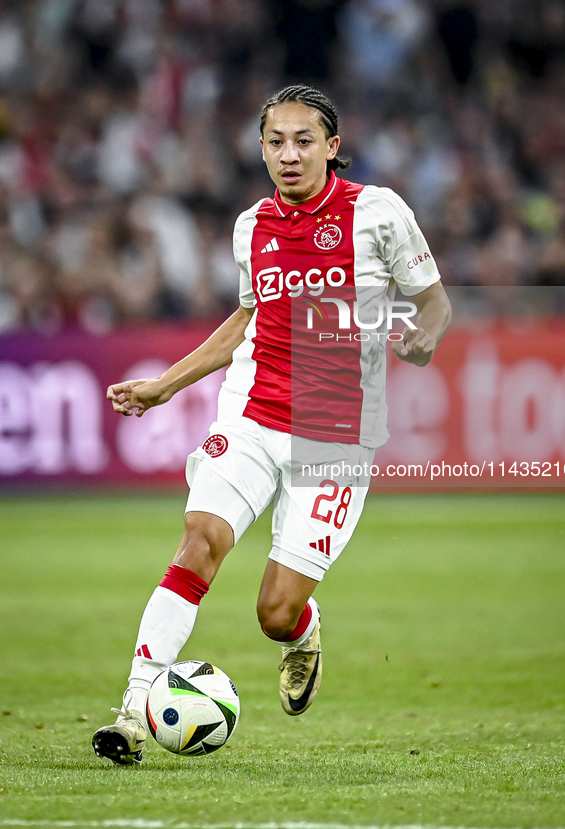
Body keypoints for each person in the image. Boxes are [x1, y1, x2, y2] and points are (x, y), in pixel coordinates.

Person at [92, 85, 452, 765]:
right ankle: (132, 712)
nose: (288, 155)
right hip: (252, 413)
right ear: (260, 149)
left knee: (273, 613)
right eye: (275, 142)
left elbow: (432, 303)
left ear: (332, 148)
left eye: (303, 141)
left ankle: (302, 628)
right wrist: (166, 386)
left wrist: (421, 339)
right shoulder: (250, 226)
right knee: (199, 541)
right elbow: (247, 318)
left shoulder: (378, 213)